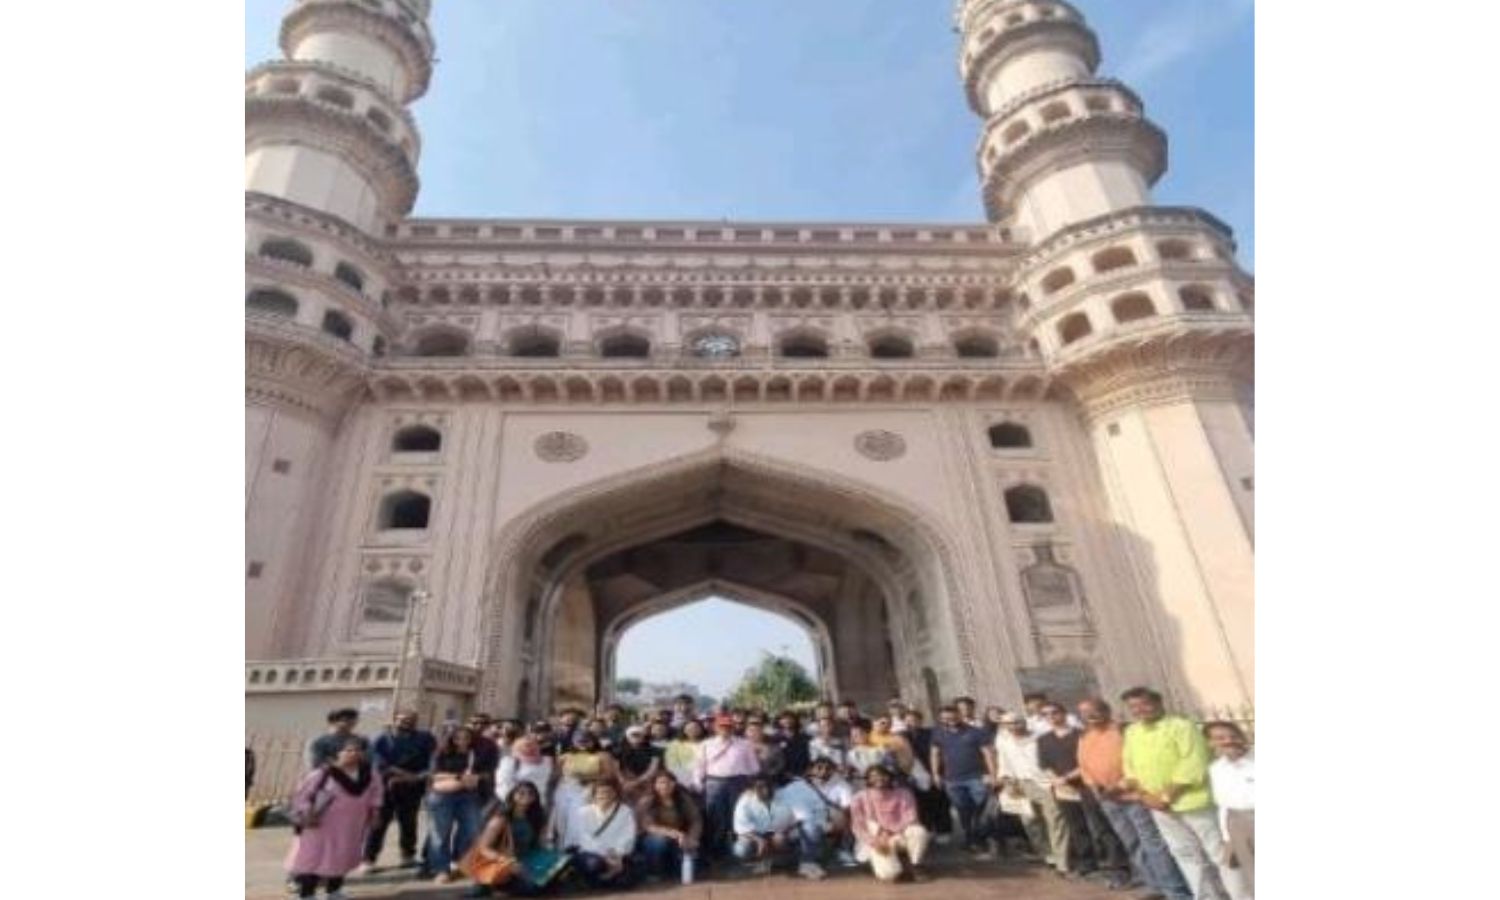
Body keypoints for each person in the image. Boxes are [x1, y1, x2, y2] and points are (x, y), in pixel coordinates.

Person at [1120, 687, 1246, 900]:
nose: (1139, 709)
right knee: (1185, 855)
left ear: (1159, 703)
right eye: (1133, 706)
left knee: (1219, 854)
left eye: (1145, 703)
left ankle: (1241, 896)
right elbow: (1130, 767)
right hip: (1159, 808)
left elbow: (1193, 764)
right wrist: (1145, 795)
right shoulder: (1132, 732)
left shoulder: (1182, 727)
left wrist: (1166, 796)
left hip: (1193, 803)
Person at [1077, 698, 1192, 900]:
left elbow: (1137, 762)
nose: (1090, 716)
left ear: (1106, 710)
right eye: (1084, 713)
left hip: (1133, 796)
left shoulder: (1124, 731)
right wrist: (1093, 786)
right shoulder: (1085, 737)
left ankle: (1175, 890)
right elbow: (1084, 766)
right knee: (1131, 843)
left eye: (1094, 710)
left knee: (1152, 843)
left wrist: (1121, 785)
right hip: (1108, 800)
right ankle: (1154, 886)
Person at [1036, 702, 1128, 887]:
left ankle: (1118, 866)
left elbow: (1088, 761)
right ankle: (1088, 866)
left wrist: (1069, 777)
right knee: (1077, 828)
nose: (1051, 717)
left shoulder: (1081, 734)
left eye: (1055, 712)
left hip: (1088, 787)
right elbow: (1044, 765)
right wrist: (1058, 780)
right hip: (1063, 790)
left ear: (1063, 713)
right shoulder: (1044, 740)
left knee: (1101, 828)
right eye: (1046, 714)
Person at [286, 737, 383, 900]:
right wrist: (307, 814)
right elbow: (302, 796)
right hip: (320, 825)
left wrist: (375, 813)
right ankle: (307, 894)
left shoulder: (370, 775)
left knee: (342, 856)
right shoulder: (322, 774)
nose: (354, 753)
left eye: (358, 750)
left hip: (352, 825)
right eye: (349, 750)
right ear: (337, 754)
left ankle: (334, 891)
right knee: (314, 858)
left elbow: (376, 795)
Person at [996, 711, 1073, 877]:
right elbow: (1004, 761)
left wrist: (1055, 780)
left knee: (1056, 822)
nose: (1013, 726)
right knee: (1031, 823)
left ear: (1024, 722)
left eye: (1016, 722)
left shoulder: (1040, 738)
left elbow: (1052, 760)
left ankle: (1063, 862)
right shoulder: (1004, 741)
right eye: (1008, 724)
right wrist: (1007, 780)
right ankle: (1048, 855)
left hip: (1045, 784)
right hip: (1021, 784)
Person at [359, 710, 436, 874]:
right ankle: (368, 859)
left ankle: (407, 856)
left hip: (413, 787)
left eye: (410, 720)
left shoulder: (425, 738)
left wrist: (417, 777)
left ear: (415, 721)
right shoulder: (380, 739)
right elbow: (379, 763)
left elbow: (433, 761)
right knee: (378, 824)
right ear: (394, 720)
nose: (405, 723)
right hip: (386, 787)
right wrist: (403, 774)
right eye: (402, 720)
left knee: (409, 822)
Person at [462, 781, 568, 898]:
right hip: (502, 861)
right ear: (512, 795)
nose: (526, 796)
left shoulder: (536, 817)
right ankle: (492, 885)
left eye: (530, 793)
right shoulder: (501, 818)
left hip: (526, 859)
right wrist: (506, 861)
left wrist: (551, 857)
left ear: (535, 797)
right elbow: (483, 848)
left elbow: (538, 844)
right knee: (531, 888)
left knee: (561, 867)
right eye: (521, 793)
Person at [930, 704, 996, 857]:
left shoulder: (976, 732)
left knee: (980, 809)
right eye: (946, 718)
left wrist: (992, 774)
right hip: (952, 779)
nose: (950, 720)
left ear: (959, 715)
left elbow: (988, 754)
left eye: (953, 717)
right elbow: (935, 754)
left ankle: (978, 839)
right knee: (963, 810)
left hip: (976, 777)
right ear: (941, 718)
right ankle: (970, 838)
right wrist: (935, 774)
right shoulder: (938, 733)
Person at [423, 725, 487, 884]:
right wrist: (458, 777)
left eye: (466, 737)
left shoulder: (475, 754)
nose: (462, 741)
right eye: (458, 737)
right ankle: (441, 869)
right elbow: (434, 775)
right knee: (440, 834)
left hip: (468, 795)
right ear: (451, 738)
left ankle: (461, 864)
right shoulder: (441, 753)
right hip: (442, 796)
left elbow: (483, 773)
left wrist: (476, 778)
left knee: (471, 830)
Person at [693, 713, 761, 861]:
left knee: (739, 817)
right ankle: (716, 853)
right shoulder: (705, 744)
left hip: (739, 782)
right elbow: (699, 766)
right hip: (714, 783)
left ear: (733, 727)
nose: (725, 729)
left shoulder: (744, 744)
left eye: (728, 726)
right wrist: (698, 784)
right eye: (722, 726)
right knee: (715, 819)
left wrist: (751, 784)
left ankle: (740, 852)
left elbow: (754, 767)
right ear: (715, 727)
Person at [850, 764, 931, 883]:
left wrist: (891, 832)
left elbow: (911, 817)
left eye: (883, 775)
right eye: (873, 776)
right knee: (889, 875)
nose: (879, 779)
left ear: (889, 777)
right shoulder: (859, 798)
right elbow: (858, 826)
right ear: (867, 779)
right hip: (875, 839)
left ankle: (916, 865)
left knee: (918, 831)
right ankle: (891, 864)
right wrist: (874, 841)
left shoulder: (904, 793)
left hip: (899, 834)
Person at [778, 757, 856, 870]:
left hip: (829, 819)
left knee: (845, 816)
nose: (823, 771)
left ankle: (843, 850)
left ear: (833, 770)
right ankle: (806, 858)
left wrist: (834, 819)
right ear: (811, 770)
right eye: (819, 768)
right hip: (802, 821)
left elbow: (847, 808)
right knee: (806, 828)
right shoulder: (800, 784)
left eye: (828, 768)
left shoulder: (842, 784)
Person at [1206, 722, 1254, 898]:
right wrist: (1227, 838)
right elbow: (1223, 806)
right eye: (1220, 738)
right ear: (1211, 743)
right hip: (1238, 824)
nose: (1229, 741)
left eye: (1233, 736)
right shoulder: (1216, 769)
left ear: (1242, 736)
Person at [564, 781, 640, 889]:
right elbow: (583, 838)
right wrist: (605, 855)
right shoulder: (583, 812)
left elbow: (628, 835)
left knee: (626, 881)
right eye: (600, 793)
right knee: (594, 864)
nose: (604, 795)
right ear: (594, 795)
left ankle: (604, 880)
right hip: (592, 852)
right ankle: (595, 879)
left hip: (616, 854)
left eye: (608, 792)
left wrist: (617, 852)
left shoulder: (625, 811)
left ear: (615, 794)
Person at [732, 776, 813, 877]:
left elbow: (803, 817)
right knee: (741, 849)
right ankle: (760, 862)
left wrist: (784, 833)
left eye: (768, 786)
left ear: (774, 786)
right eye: (760, 787)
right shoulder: (745, 800)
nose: (766, 790)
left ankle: (783, 862)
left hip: (784, 835)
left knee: (807, 834)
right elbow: (740, 827)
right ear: (753, 789)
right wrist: (758, 840)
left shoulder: (788, 795)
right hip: (758, 835)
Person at [549, 731, 618, 844]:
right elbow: (556, 774)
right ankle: (561, 846)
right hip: (564, 789)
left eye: (587, 740)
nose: (583, 743)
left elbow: (609, 774)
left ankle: (576, 846)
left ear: (593, 741)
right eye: (580, 741)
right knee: (561, 818)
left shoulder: (602, 755)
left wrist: (590, 779)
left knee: (577, 819)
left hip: (587, 790)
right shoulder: (566, 756)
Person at [634, 772, 702, 881]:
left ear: (674, 784)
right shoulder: (646, 801)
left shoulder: (683, 799)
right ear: (655, 785)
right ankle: (654, 872)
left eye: (669, 782)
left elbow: (695, 820)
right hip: (652, 837)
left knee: (690, 863)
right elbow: (649, 826)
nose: (665, 786)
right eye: (661, 783)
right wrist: (676, 834)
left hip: (679, 838)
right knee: (659, 842)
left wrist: (692, 837)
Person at [496, 735, 555, 810]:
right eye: (526, 745)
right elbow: (503, 785)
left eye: (533, 744)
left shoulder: (547, 761)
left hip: (539, 805)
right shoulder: (510, 762)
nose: (530, 748)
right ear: (517, 747)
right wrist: (517, 801)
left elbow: (551, 782)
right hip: (517, 806)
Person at [615, 725, 662, 804]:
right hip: (625, 782)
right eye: (633, 735)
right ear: (627, 736)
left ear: (643, 736)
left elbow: (653, 769)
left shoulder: (655, 750)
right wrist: (623, 781)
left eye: (638, 735)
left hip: (647, 781)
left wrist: (636, 782)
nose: (636, 737)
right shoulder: (618, 750)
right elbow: (615, 768)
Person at [662, 719, 704, 789]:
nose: (693, 730)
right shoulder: (675, 744)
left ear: (701, 729)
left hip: (705, 780)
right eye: (689, 728)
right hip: (683, 780)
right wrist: (686, 779)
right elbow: (672, 765)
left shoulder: (708, 743)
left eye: (696, 727)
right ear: (684, 730)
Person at [744, 719, 786, 783]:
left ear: (763, 732)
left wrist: (768, 775)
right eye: (751, 730)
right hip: (744, 782)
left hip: (769, 781)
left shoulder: (774, 748)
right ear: (746, 732)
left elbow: (780, 765)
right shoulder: (739, 748)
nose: (754, 733)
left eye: (758, 730)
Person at [774, 711, 811, 777]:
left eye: (790, 718)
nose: (787, 721)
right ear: (779, 721)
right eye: (784, 718)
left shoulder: (805, 738)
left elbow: (808, 756)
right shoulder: (775, 739)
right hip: (782, 776)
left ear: (795, 720)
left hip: (802, 774)